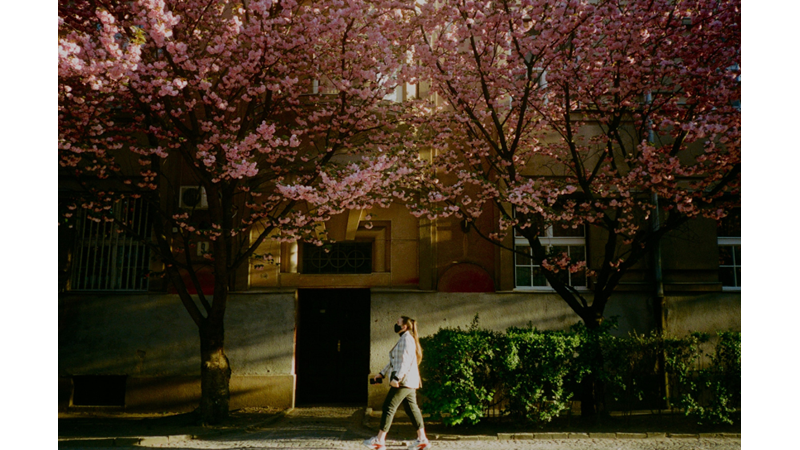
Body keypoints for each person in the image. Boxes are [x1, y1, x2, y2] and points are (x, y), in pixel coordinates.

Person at [363, 316, 431, 450]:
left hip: (404, 382)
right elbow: (394, 361)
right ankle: (422, 439)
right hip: (408, 381)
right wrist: (382, 373)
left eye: (398, 323)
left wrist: (397, 379)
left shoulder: (407, 340)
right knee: (412, 409)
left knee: (388, 407)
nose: (395, 324)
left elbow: (405, 362)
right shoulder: (405, 339)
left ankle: (379, 440)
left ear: (404, 326)